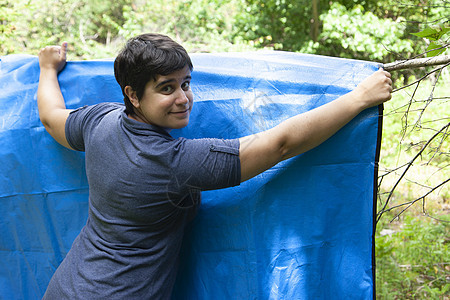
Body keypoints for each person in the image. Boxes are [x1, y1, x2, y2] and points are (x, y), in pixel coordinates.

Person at [38, 33, 392, 299]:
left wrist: (46, 69)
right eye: (166, 88)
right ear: (133, 94)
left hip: (65, 288)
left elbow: (52, 118)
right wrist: (359, 97)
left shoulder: (100, 120)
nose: (183, 98)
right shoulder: (173, 162)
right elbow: (280, 144)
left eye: (186, 84)